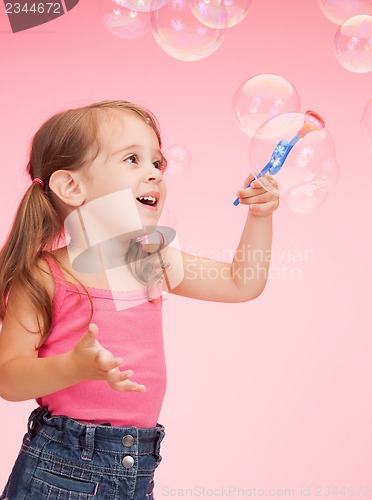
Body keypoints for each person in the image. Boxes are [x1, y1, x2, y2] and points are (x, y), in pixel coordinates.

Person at [0, 100, 279, 499]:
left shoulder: (150, 257)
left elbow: (242, 283)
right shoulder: (45, 275)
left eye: (157, 163)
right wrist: (73, 366)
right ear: (72, 187)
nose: (153, 174)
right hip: (61, 470)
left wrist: (261, 216)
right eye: (132, 159)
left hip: (137, 465)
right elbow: (7, 378)